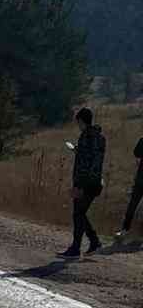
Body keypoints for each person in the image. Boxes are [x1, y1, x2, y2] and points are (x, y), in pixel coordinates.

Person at [62, 106, 106, 257]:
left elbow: (85, 163)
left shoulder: (86, 137)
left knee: (78, 213)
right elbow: (94, 159)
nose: (78, 126)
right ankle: (93, 242)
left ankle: (77, 248)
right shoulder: (100, 137)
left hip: (85, 182)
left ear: (81, 121)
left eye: (78, 123)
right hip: (96, 181)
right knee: (80, 213)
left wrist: (78, 185)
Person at [114, 134, 143, 242]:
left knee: (133, 205)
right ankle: (126, 231)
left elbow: (137, 153)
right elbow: (136, 153)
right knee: (133, 205)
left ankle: (126, 231)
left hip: (140, 179)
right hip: (140, 180)